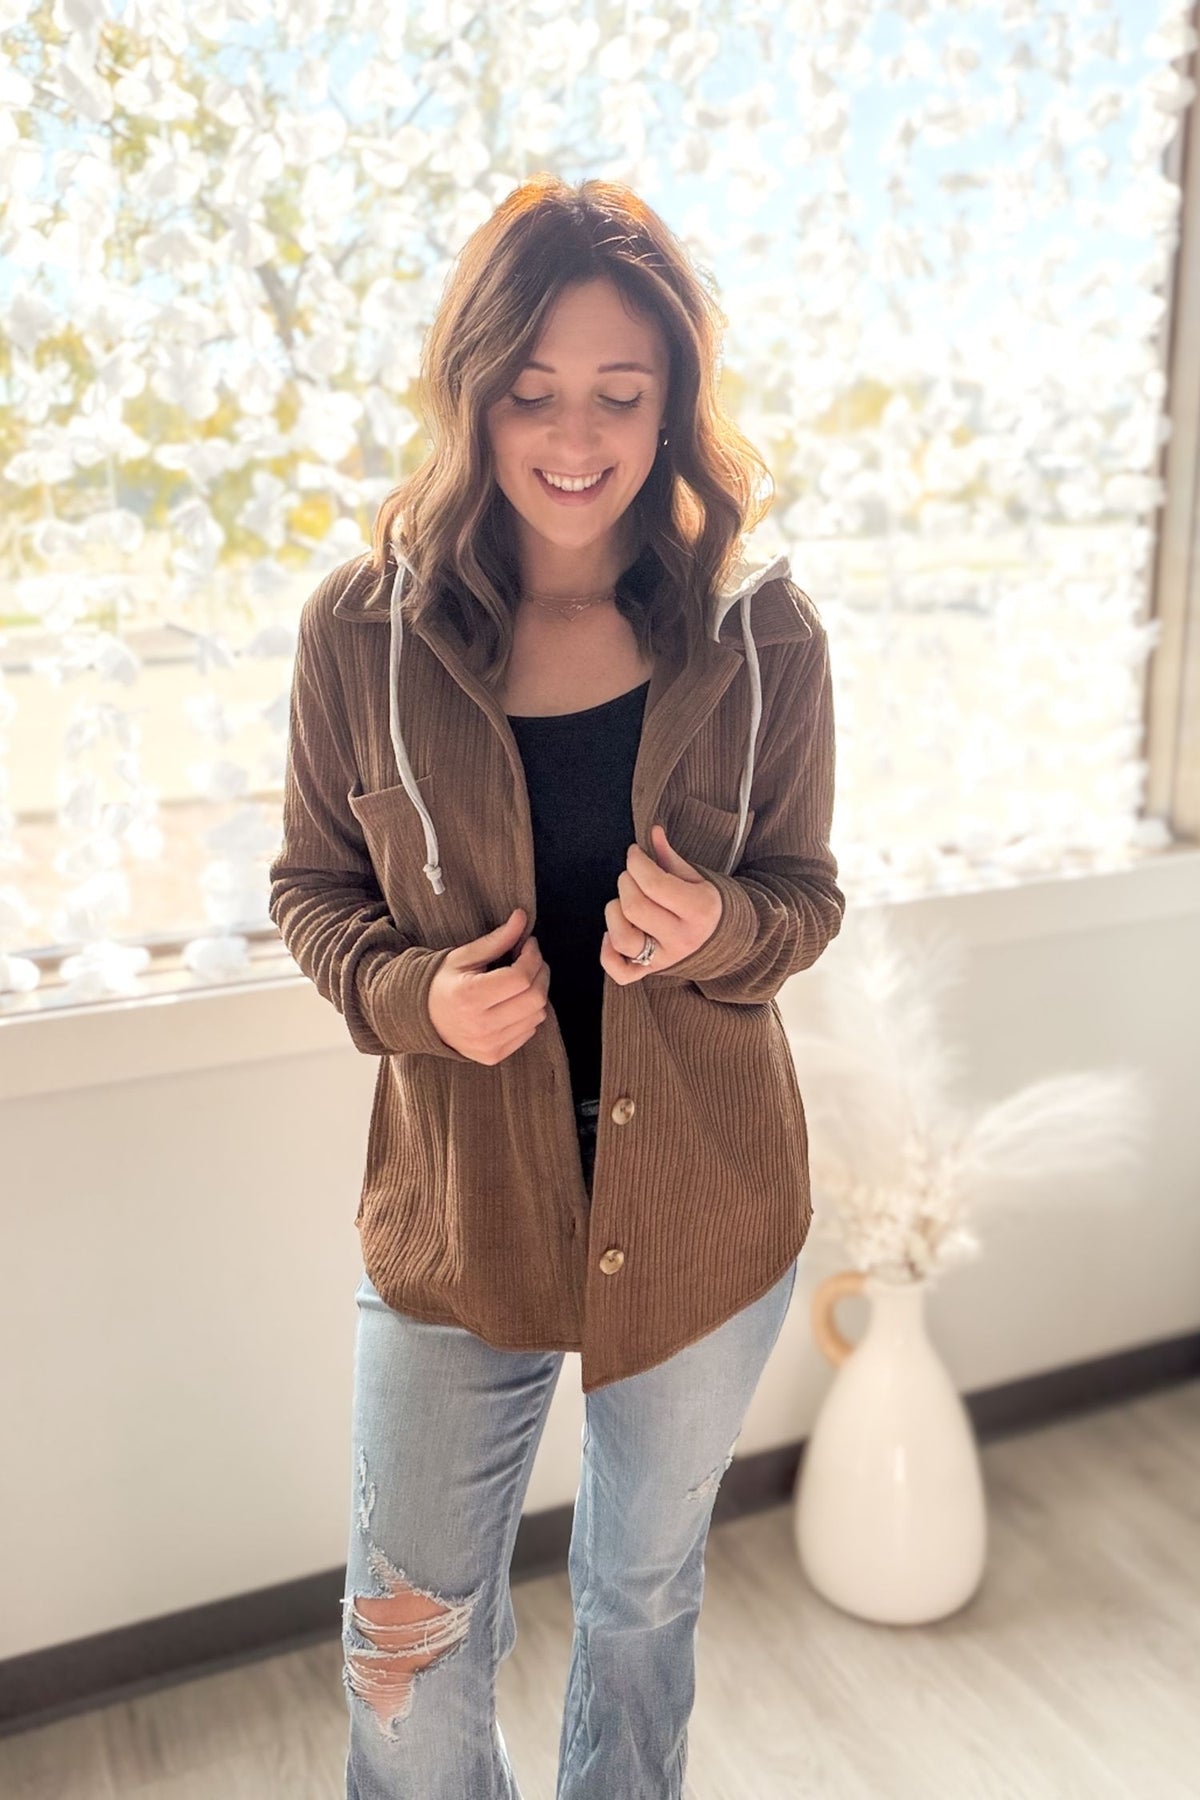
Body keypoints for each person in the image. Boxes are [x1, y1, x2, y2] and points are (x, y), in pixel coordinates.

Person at [268, 174, 845, 1800]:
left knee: (641, 1602)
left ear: (673, 406)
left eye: (620, 392)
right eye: (531, 390)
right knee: (404, 1647)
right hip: (460, 1207)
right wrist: (417, 1000)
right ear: (473, 391)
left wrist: (717, 928)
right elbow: (311, 892)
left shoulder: (764, 636)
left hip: (706, 1199)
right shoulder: (361, 635)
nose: (574, 435)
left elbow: (804, 902)